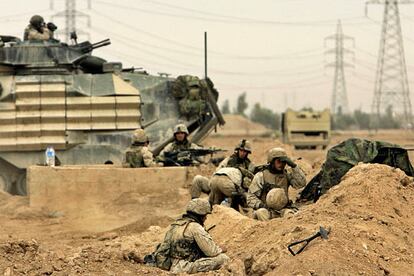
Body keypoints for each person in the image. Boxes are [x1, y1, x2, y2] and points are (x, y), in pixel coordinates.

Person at [145, 198, 229, 274]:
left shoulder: (176, 224)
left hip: (166, 262)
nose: (206, 218)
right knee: (223, 258)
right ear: (200, 215)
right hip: (182, 266)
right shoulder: (195, 227)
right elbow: (211, 252)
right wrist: (220, 249)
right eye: (205, 216)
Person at [246, 147, 306, 221]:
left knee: (292, 215)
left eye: (284, 162)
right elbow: (250, 197)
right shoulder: (261, 175)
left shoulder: (286, 174)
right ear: (272, 161)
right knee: (260, 213)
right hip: (267, 210)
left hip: (283, 210)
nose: (282, 164)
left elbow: (301, 184)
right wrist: (262, 205)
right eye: (279, 161)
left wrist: (293, 166)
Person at [190, 139, 254, 199]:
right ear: (238, 150)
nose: (242, 153)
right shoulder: (228, 160)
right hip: (216, 184)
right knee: (198, 179)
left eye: (245, 151)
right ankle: (194, 204)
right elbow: (217, 171)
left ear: (247, 153)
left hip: (232, 190)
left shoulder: (249, 165)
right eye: (241, 150)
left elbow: (250, 183)